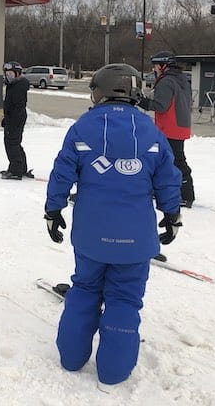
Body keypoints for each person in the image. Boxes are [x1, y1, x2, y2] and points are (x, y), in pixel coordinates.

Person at [42, 63, 182, 389]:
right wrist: (172, 215)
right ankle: (113, 372)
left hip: (91, 236)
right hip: (135, 240)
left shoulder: (82, 128)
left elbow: (62, 172)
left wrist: (53, 210)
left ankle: (72, 358)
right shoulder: (150, 132)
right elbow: (168, 178)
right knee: (124, 300)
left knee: (85, 291)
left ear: (100, 91)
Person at [138, 51, 196, 208]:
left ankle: (186, 195)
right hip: (181, 125)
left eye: (156, 66)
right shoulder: (182, 79)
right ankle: (168, 191)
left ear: (163, 66)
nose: (154, 69)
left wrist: (140, 100)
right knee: (165, 159)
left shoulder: (166, 81)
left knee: (175, 161)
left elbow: (160, 106)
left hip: (169, 127)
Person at [0, 61, 32, 180]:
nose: (8, 76)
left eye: (10, 74)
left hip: (16, 119)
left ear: (17, 74)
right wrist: (6, 118)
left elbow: (18, 106)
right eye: (6, 73)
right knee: (15, 143)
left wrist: (12, 121)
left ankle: (16, 171)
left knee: (11, 144)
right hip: (12, 118)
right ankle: (21, 167)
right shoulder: (13, 85)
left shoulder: (19, 86)